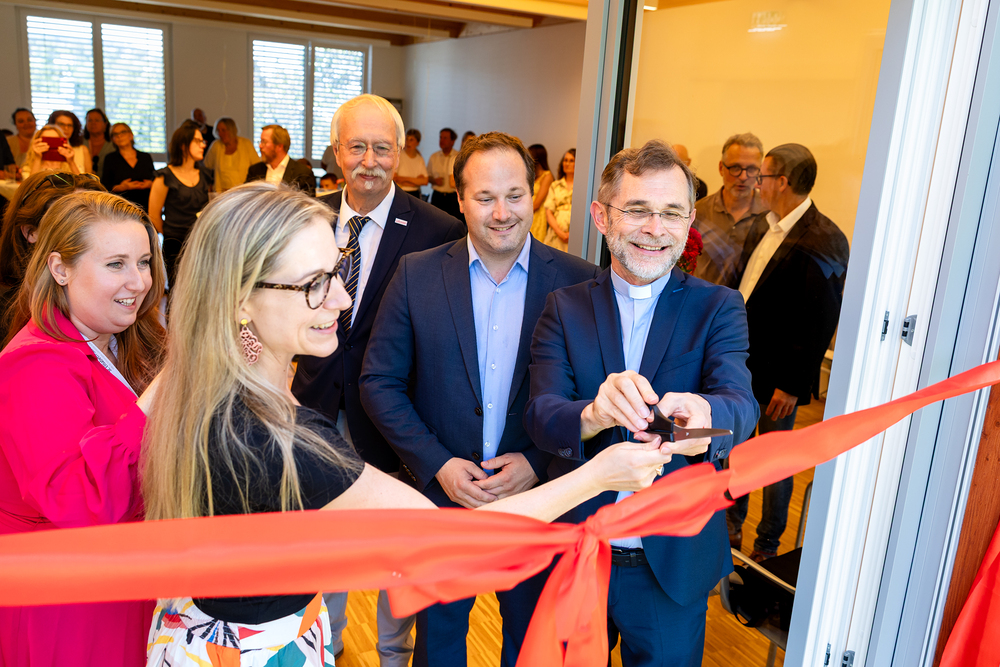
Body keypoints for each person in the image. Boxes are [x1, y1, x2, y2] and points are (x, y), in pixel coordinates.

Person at [140, 180, 673, 667]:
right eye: (314, 285)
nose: (342, 299)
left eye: (337, 271)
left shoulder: (189, 381)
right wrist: (599, 474)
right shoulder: (285, 441)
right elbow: (461, 541)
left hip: (191, 630)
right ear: (241, 299)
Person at [360, 132, 600, 667]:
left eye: (514, 195)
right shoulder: (416, 274)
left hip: (540, 501)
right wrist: (438, 464)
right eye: (485, 197)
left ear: (534, 194)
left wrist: (537, 463)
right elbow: (379, 382)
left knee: (532, 646)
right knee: (439, 648)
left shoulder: (581, 282)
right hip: (444, 499)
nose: (502, 213)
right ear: (460, 199)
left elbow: (589, 400)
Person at [525, 140, 758, 666]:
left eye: (672, 213)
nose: (655, 228)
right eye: (637, 210)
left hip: (671, 561)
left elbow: (740, 404)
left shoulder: (718, 307)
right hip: (576, 549)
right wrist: (592, 414)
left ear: (689, 221)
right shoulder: (563, 307)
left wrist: (706, 416)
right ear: (601, 216)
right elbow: (541, 415)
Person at [290, 94, 465, 665]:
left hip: (395, 418)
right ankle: (329, 644)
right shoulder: (304, 219)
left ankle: (394, 653)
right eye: (357, 147)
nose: (369, 160)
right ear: (336, 151)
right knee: (324, 540)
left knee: (397, 546)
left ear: (401, 151)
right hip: (313, 407)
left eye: (382, 148)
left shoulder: (439, 230)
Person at [0, 190, 165, 667]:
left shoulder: (121, 338)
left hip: (123, 581)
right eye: (116, 264)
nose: (138, 282)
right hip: (68, 602)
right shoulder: (34, 365)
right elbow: (78, 498)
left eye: (143, 262)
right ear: (60, 269)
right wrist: (158, 397)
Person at [726, 143, 850, 561]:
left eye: (761, 176)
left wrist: (792, 385)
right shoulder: (762, 225)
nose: (754, 184)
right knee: (738, 452)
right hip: (742, 364)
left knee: (776, 463)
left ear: (781, 182)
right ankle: (730, 533)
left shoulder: (825, 238)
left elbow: (820, 321)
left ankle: (767, 549)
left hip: (779, 376)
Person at [0, 171, 105, 345]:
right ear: (30, 232)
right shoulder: (7, 311)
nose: (88, 235)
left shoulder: (117, 290)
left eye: (94, 222)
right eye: (68, 224)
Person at [692, 133, 767, 287]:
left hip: (747, 301)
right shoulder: (698, 212)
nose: (743, 177)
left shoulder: (770, 215)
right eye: (735, 168)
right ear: (721, 168)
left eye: (752, 169)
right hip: (704, 299)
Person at [148, 120, 212, 290]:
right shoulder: (165, 176)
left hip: (201, 243)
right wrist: (172, 235)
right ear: (183, 145)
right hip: (175, 245)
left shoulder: (205, 175)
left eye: (203, 141)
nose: (203, 145)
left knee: (201, 291)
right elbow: (154, 215)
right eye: (198, 141)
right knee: (178, 292)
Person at [246, 124, 316, 196]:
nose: (260, 146)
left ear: (279, 146)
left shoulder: (303, 173)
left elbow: (307, 202)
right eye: (260, 141)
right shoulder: (254, 171)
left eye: (264, 142)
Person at [101, 123, 155, 211]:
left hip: (146, 205)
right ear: (112, 139)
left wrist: (150, 184)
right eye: (115, 134)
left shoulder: (145, 157)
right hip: (121, 208)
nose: (119, 136)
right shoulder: (110, 159)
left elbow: (154, 180)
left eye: (123, 132)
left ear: (131, 135)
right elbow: (105, 187)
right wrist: (122, 187)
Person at [202, 117, 260, 193]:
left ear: (232, 130)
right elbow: (206, 167)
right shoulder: (216, 146)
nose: (220, 134)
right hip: (221, 193)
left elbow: (257, 168)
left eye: (223, 130)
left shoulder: (246, 144)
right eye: (218, 130)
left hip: (242, 193)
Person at [20, 124, 85, 179]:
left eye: (55, 141)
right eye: (46, 140)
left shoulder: (70, 165)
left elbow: (82, 184)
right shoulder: (28, 168)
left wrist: (71, 162)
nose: (50, 145)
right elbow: (30, 187)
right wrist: (37, 158)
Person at [542, 148, 575, 251]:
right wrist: (560, 232)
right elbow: (548, 212)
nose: (567, 163)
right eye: (565, 160)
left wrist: (572, 233)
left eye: (571, 160)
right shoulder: (555, 185)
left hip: (575, 235)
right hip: (556, 234)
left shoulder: (582, 187)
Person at [428, 127, 461, 219]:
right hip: (437, 197)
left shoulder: (458, 157)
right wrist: (434, 181)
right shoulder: (434, 157)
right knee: (435, 221)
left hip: (453, 198)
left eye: (445, 138)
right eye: (440, 137)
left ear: (452, 141)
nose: (441, 140)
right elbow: (428, 177)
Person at [46, 110, 91, 175]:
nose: (66, 128)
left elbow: (89, 180)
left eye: (70, 125)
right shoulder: (44, 148)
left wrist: (71, 162)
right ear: (52, 125)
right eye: (61, 124)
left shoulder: (83, 150)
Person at [528, 143, 554, 242]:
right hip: (530, 211)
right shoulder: (532, 176)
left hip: (537, 214)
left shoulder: (547, 176)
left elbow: (538, 202)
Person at [393, 128, 428, 197]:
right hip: (401, 192)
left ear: (417, 143)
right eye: (406, 139)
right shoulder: (399, 156)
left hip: (415, 193)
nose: (408, 142)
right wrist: (416, 181)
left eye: (411, 140)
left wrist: (403, 179)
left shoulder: (420, 159)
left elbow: (424, 181)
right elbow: (394, 178)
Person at [84, 108, 115, 179]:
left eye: (97, 120)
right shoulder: (79, 143)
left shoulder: (113, 144)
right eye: (90, 120)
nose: (93, 123)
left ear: (105, 124)